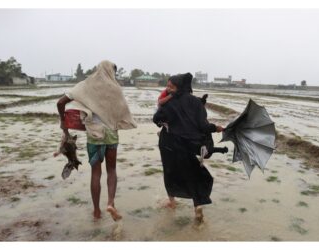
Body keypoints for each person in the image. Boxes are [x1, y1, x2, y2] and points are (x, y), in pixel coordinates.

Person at [57, 60, 136, 221]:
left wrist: (63, 122)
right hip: (111, 135)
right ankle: (111, 203)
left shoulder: (85, 85)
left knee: (95, 173)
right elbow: (121, 112)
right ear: (111, 72)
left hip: (94, 136)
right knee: (112, 170)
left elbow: (60, 102)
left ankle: (96, 212)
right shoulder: (115, 88)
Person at [153, 73, 224, 223]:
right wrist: (215, 128)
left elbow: (156, 119)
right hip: (187, 145)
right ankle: (197, 207)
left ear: (179, 87)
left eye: (171, 86)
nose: (168, 89)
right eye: (168, 86)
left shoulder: (169, 102)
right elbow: (203, 125)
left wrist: (165, 121)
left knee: (170, 172)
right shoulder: (195, 102)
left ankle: (171, 202)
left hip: (168, 144)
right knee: (193, 174)